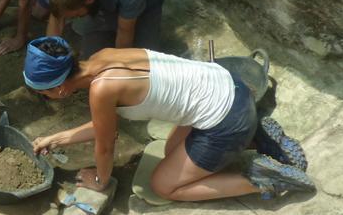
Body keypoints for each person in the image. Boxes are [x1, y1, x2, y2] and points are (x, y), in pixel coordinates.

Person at [25, 37, 314, 201]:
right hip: (233, 88)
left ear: (59, 88)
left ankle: (264, 179)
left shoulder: (102, 90)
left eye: (42, 91)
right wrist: (56, 138)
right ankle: (256, 136)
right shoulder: (102, 56)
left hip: (225, 121)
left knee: (164, 186)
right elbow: (104, 127)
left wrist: (100, 180)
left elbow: (105, 144)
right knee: (169, 152)